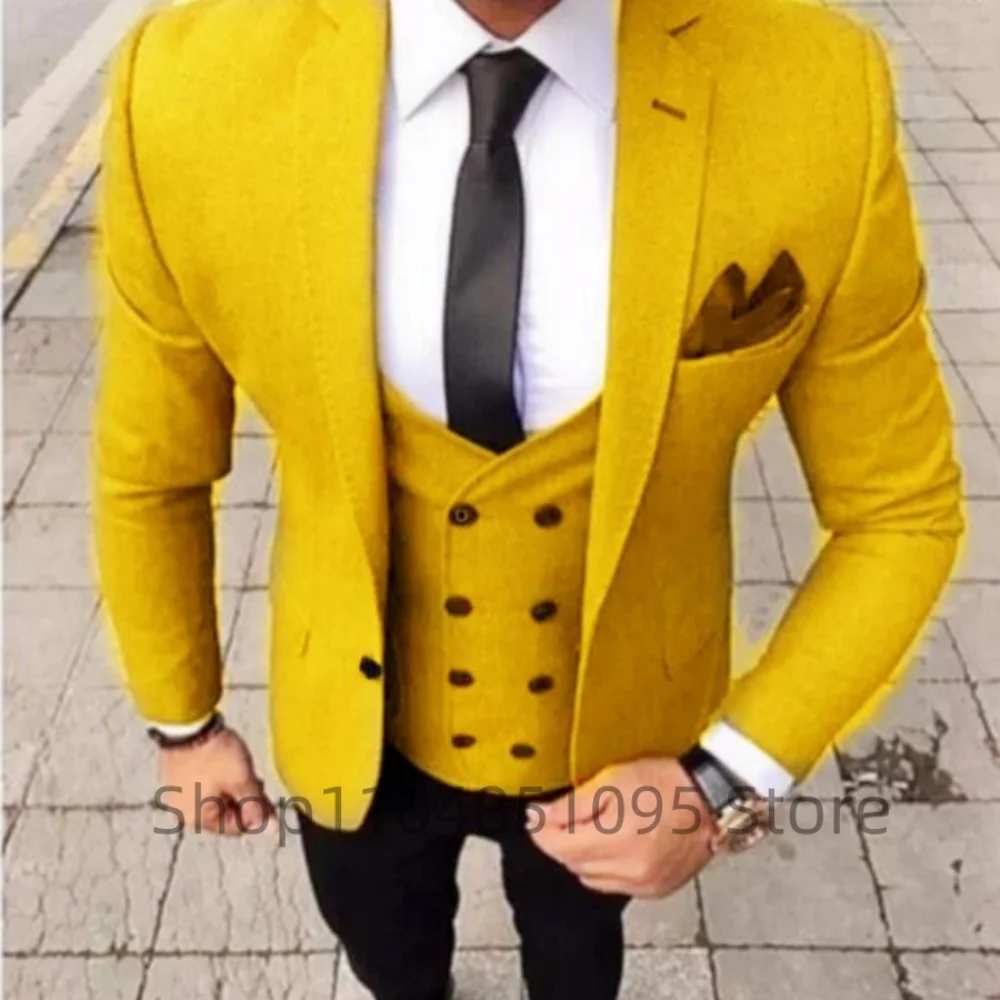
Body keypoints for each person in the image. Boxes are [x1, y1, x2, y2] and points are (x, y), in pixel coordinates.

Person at [93, 0, 965, 997]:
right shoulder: (188, 86)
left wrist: (723, 778)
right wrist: (184, 724)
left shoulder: (819, 90)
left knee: (579, 961)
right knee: (386, 954)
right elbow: (151, 465)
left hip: (626, 742)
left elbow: (899, 510)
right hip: (351, 729)